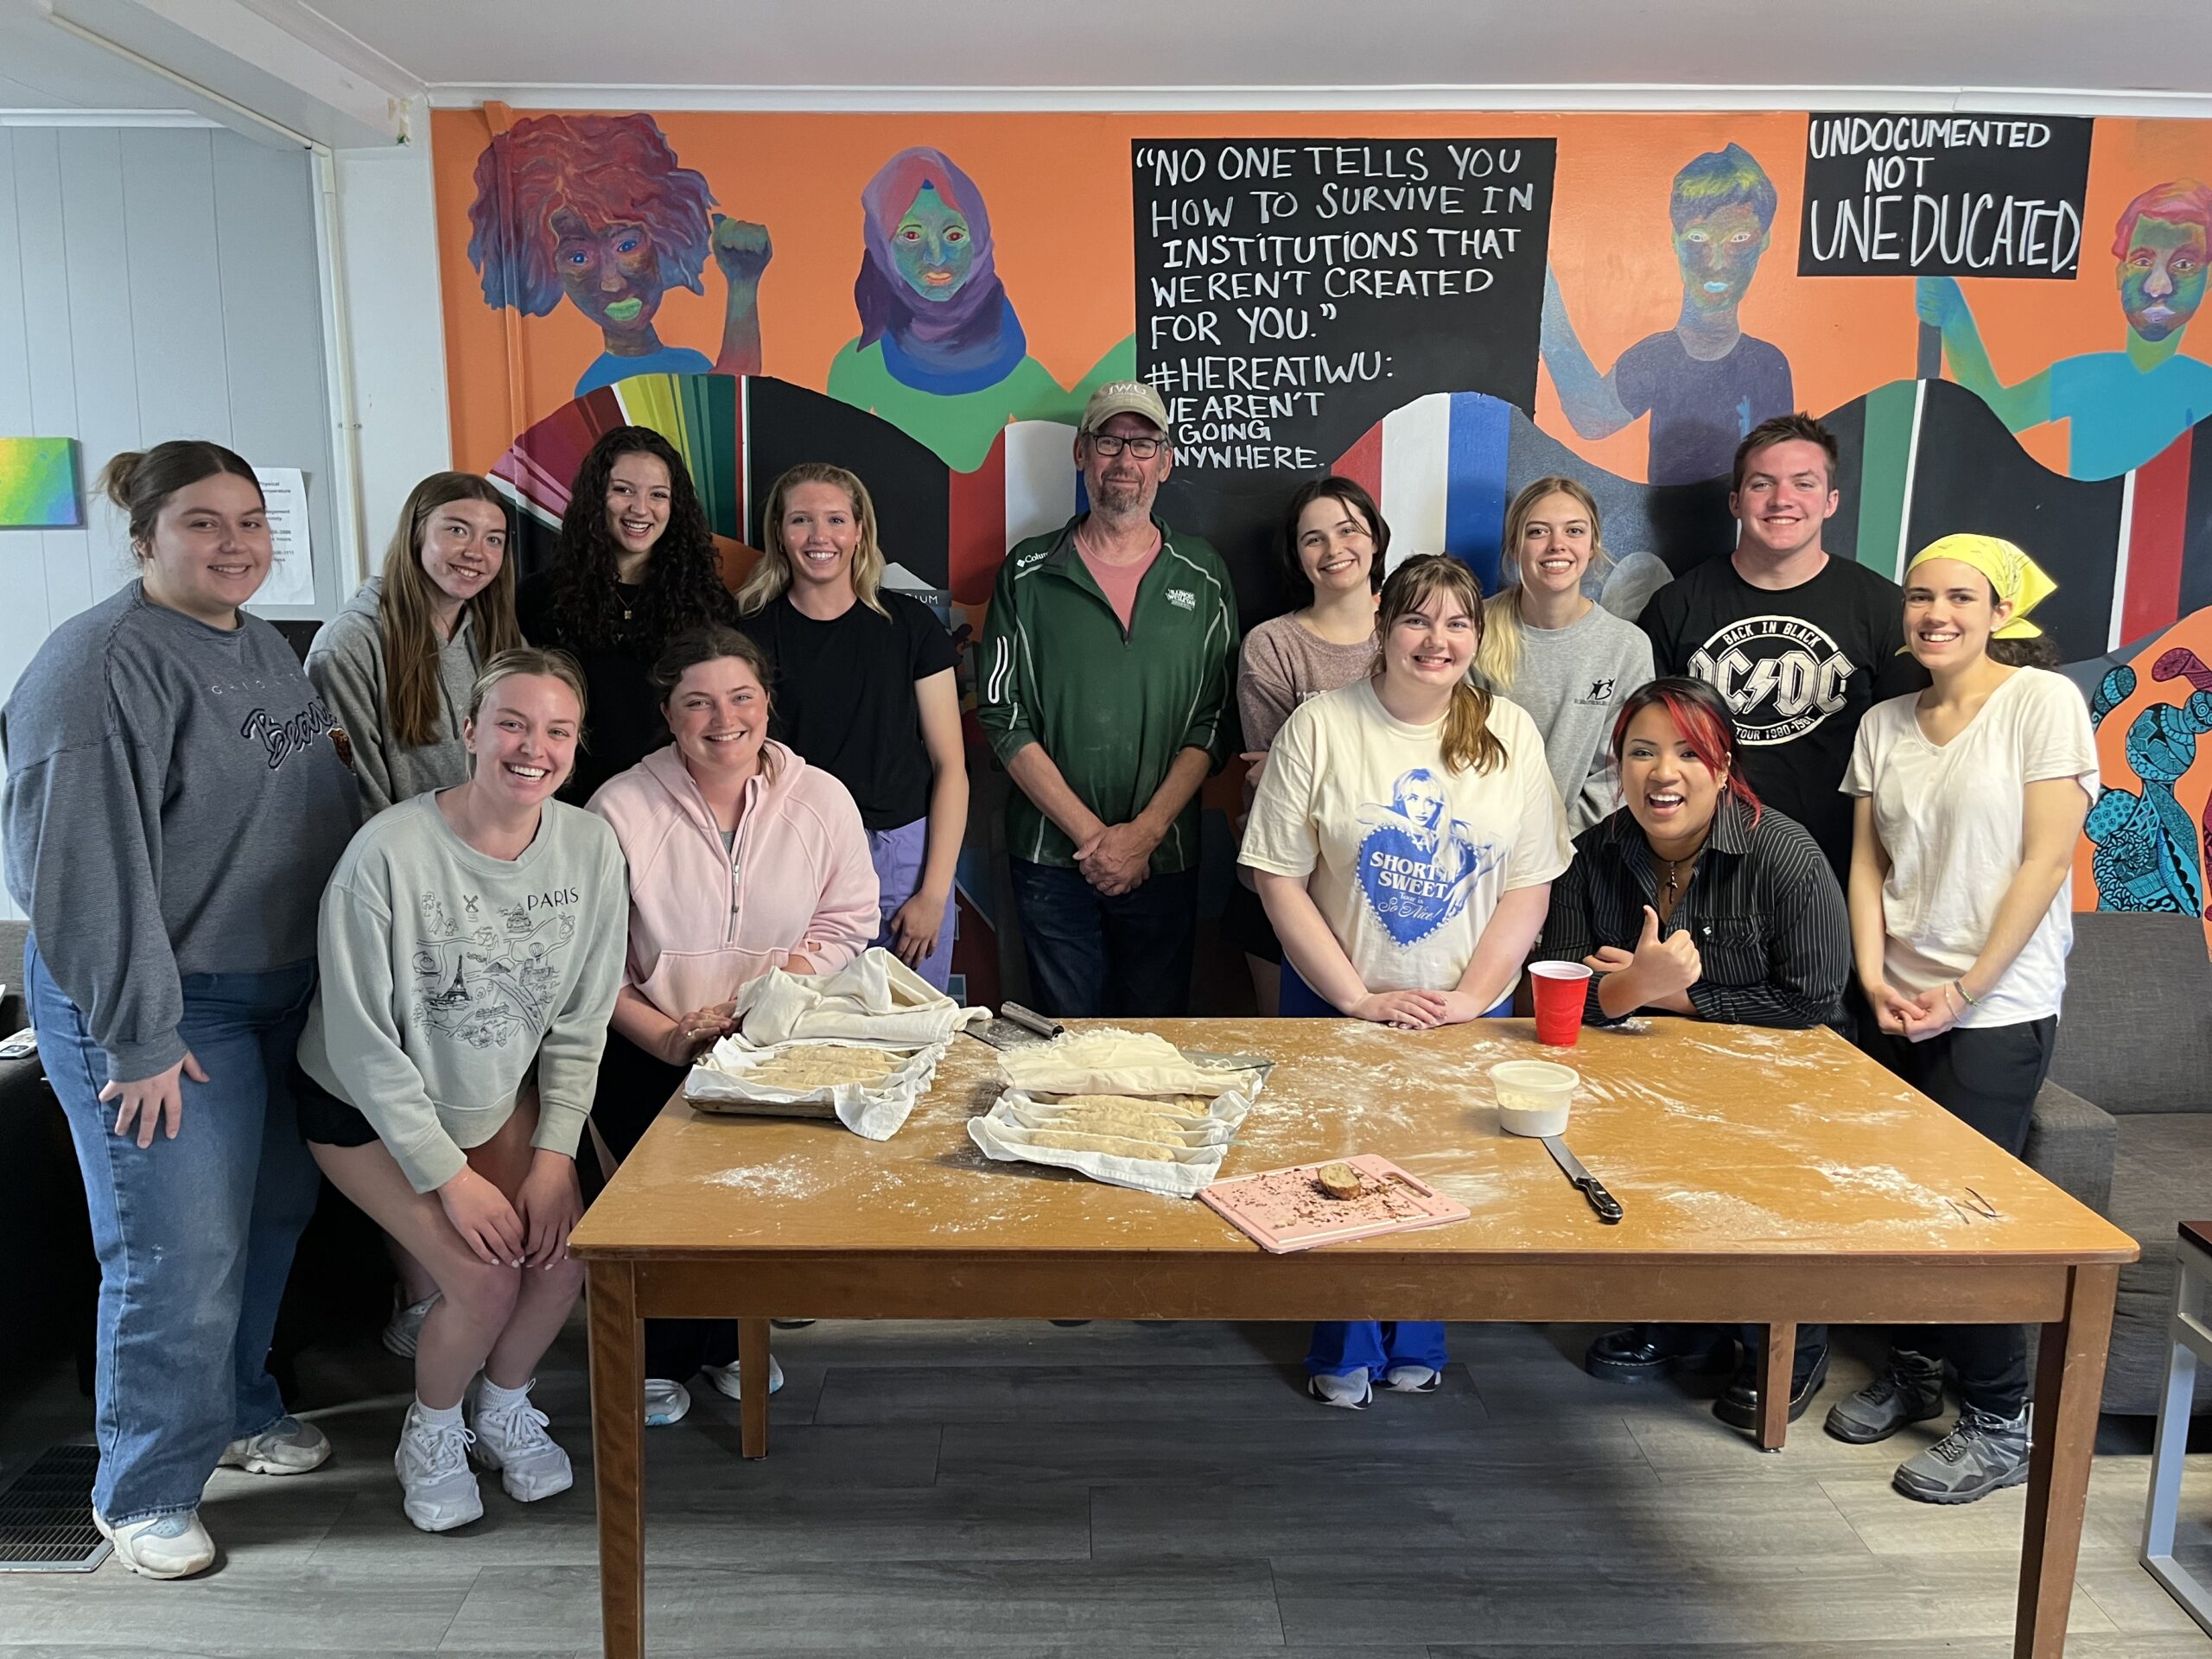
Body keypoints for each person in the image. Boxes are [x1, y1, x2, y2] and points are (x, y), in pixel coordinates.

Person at [3, 442, 359, 1578]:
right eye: (203, 522)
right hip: (163, 1007)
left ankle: (239, 1411)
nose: (235, 543)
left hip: (275, 990)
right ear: (144, 537)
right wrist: (138, 1035)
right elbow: (76, 875)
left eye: (250, 520)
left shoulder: (254, 640)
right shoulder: (97, 667)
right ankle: (143, 1487)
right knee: (176, 1248)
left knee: (271, 1217)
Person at [296, 649, 626, 1534]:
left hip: (490, 1093)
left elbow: (582, 1021)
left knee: (560, 1255)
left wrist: (554, 1157)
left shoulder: (592, 847)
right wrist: (449, 1177)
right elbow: (363, 1046)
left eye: (556, 731)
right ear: (471, 732)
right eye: (512, 724)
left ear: (576, 745)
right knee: (481, 1280)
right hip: (363, 1105)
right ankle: (433, 1430)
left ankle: (504, 1404)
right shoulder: (385, 854)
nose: (533, 748)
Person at [1242, 553, 1571, 1406]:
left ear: (1478, 636)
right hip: (1336, 999)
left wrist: (1474, 998)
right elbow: (1278, 877)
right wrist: (1355, 997)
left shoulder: (1509, 733)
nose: (1437, 640)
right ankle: (1342, 1344)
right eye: (1418, 619)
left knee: (1438, 1170)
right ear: (1384, 625)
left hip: (1464, 1006)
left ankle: (1419, 1334)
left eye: (1457, 623)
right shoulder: (1321, 725)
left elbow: (1528, 885)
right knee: (1338, 1173)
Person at [1827, 534, 2096, 1504]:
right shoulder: (1884, 723)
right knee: (1893, 1199)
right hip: (1897, 1001)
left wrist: (1967, 991)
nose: (1934, 614)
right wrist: (1872, 979)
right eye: (1919, 597)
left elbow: (2045, 863)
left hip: (1995, 1010)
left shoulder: (2041, 703)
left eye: (1959, 597)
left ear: (1999, 612)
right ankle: (1913, 1370)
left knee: (1966, 1211)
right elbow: (1868, 864)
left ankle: (2000, 1418)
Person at [1540, 677, 1852, 1425]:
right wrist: (1632, 988)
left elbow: (1813, 1001)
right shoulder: (1592, 853)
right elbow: (1560, 989)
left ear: (1723, 765)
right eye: (1642, 752)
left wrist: (1674, 996)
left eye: (1688, 752)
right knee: (1627, 1142)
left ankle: (1788, 1343)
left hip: (1775, 1088)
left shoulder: (1784, 855)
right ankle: (1681, 1323)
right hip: (1645, 1081)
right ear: (1619, 765)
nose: (1663, 773)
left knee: (1757, 1172)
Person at [588, 626, 878, 1424]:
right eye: (698, 703)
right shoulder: (618, 808)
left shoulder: (822, 798)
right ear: (668, 714)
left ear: (767, 703)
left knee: (746, 1203)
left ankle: (730, 1342)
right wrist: (667, 1036)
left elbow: (849, 919)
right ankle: (660, 1356)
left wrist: (769, 999)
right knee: (663, 1208)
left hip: (774, 1043)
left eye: (741, 697)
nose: (725, 719)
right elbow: (593, 964)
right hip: (647, 1046)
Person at [976, 381, 1237, 1019]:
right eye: (1109, 441)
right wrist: (1095, 838)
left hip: (1165, 856)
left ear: (1165, 462)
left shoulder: (1204, 574)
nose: (1126, 460)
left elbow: (1215, 719)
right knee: (1065, 1041)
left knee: (1155, 1039)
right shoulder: (1026, 573)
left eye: (1143, 444)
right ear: (1081, 452)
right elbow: (1002, 715)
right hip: (1049, 856)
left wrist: (1144, 835)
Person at [1637, 413, 1929, 882]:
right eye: (1762, 484)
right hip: (1703, 866)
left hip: (1836, 869)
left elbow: (1907, 756)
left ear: (1831, 501)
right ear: (1735, 502)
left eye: (1804, 483)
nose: (1782, 500)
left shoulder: (1882, 608)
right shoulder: (1675, 607)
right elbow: (1645, 747)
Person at [737, 464, 967, 989]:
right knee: (803, 1024)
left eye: (836, 520)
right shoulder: (748, 638)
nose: (820, 536)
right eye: (801, 520)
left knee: (915, 1026)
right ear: (779, 533)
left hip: (904, 860)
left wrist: (933, 895)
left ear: (860, 531)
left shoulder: (911, 626)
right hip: (796, 857)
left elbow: (951, 765)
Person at [827, 145, 1135, 470]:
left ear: (979, 241)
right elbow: (832, 478)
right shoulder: (858, 367)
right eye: (912, 235)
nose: (936, 257)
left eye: (954, 235)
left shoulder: (1015, 367)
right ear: (881, 246)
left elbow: (1072, 445)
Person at [1919, 179, 2212, 479]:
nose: (2158, 286)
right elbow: (1999, 413)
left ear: (2208, 278)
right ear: (2121, 274)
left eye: (2184, 265)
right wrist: (1954, 316)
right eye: (2142, 261)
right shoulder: (2086, 377)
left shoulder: (2204, 388)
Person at [465, 111, 771, 397]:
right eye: (579, 258)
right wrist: (742, 285)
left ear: (662, 239)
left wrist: (743, 280)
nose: (612, 283)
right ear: (548, 270)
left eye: (626, 246)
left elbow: (730, 414)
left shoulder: (691, 363)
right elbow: (724, 410)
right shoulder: (597, 391)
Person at [1541, 143, 1795, 486]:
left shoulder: (1767, 365)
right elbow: (1592, 418)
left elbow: (1778, 474)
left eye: (1739, 238)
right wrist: (1544, 298)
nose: (1717, 262)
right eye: (1698, 238)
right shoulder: (1657, 357)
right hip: (1664, 520)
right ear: (1676, 241)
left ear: (1764, 240)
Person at [1230, 477, 1390, 1015]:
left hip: (1391, 890)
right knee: (1292, 1052)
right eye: (1313, 538)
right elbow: (1272, 785)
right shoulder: (1272, 645)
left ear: (1375, 539)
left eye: (1348, 531)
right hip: (1282, 887)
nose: (1333, 549)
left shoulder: (1413, 634)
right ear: (1297, 556)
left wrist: (1307, 765)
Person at [517, 425, 739, 804]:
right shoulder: (538, 598)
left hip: (675, 804)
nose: (640, 508)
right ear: (596, 498)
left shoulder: (709, 604)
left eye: (658, 495)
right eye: (623, 490)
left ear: (675, 506)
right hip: (566, 803)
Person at [1476, 476, 1656, 832]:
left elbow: (1625, 766)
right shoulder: (1472, 630)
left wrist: (1558, 840)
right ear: (1514, 547)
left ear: (1592, 546)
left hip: (1580, 848)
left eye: (1574, 531)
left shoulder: (1626, 647)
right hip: (1484, 841)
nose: (1557, 545)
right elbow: (1453, 746)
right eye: (1538, 532)